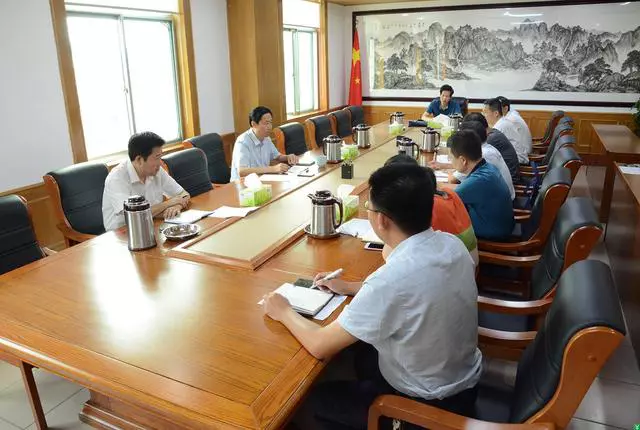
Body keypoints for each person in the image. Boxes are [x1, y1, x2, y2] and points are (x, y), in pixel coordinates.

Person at [263, 163, 481, 429]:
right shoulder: (451, 244)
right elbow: (411, 291)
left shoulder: (393, 279)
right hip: (463, 385)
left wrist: (283, 310)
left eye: (369, 207)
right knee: (358, 353)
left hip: (424, 409)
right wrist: (349, 287)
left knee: (307, 402)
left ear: (382, 220)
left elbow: (320, 344)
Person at [382, 154, 479, 266]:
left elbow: (389, 253)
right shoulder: (447, 193)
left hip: (454, 269)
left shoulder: (424, 206)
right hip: (469, 264)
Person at [102, 132, 190, 231]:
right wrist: (168, 203)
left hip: (152, 225)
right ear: (139, 160)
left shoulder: (156, 170)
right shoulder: (117, 178)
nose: (161, 163)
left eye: (161, 157)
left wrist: (177, 206)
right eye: (157, 157)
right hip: (123, 233)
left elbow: (184, 194)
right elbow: (135, 216)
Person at [449, 130, 515, 240]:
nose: (451, 162)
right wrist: (440, 186)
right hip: (501, 225)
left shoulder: (478, 180)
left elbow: (449, 199)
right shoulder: (488, 167)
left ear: (463, 160)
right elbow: (460, 189)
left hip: (492, 236)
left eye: (451, 158)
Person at [230, 106, 299, 181]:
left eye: (270, 122)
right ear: (253, 124)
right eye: (266, 123)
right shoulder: (243, 142)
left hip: (261, 180)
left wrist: (288, 157)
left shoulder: (266, 138)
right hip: (242, 183)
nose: (269, 127)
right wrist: (272, 169)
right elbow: (242, 171)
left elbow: (277, 156)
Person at [458, 121, 515, 200]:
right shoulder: (487, 148)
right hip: (501, 198)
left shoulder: (483, 154)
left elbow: (454, 180)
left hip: (505, 201)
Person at [463, 112, 520, 183]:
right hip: (505, 179)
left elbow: (462, 173)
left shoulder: (490, 139)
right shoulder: (492, 134)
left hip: (512, 180)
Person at [483, 98, 529, 165]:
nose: (483, 115)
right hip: (515, 158)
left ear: (496, 113)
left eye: (485, 112)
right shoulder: (502, 122)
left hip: (519, 161)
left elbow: (487, 145)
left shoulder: (501, 126)